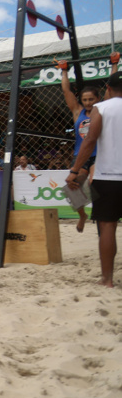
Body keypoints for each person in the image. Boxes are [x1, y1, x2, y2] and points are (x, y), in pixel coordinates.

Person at [66, 71, 122, 287]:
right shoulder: (85, 109)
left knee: (107, 228)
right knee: (74, 190)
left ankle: (107, 279)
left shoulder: (102, 108)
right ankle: (81, 214)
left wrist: (74, 169)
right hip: (102, 168)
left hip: (107, 173)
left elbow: (90, 140)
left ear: (107, 89)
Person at [60, 56, 118, 233]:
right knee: (71, 188)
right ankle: (82, 215)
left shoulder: (102, 109)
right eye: (85, 100)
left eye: (91, 99)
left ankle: (101, 217)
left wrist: (114, 64)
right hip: (81, 155)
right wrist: (63, 70)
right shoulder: (78, 112)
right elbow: (66, 91)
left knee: (95, 183)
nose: (87, 103)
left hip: (98, 155)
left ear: (97, 98)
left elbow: (111, 87)